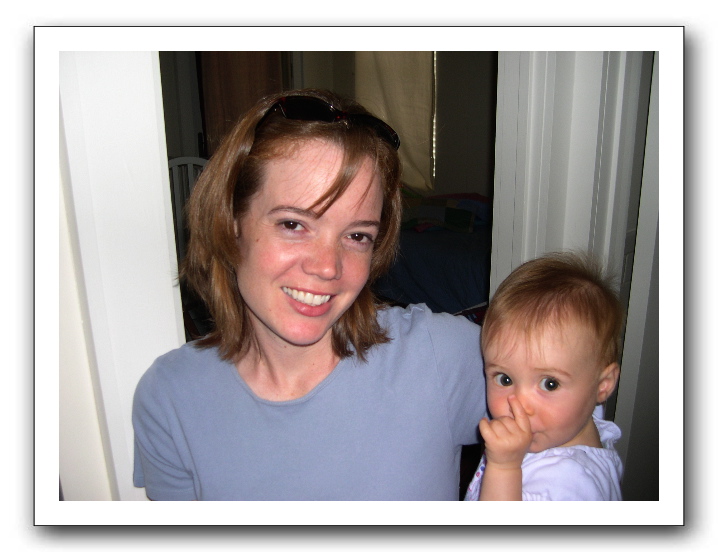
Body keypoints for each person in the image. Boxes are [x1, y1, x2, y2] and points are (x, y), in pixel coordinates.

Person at [133, 89, 486, 500]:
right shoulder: (171, 398)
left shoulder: (440, 359)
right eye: (294, 224)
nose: (328, 267)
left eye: (357, 235)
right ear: (231, 222)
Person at [464, 252, 624, 501]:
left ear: (602, 386)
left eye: (550, 384)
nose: (520, 406)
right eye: (505, 379)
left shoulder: (565, 486)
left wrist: (504, 467)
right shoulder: (574, 421)